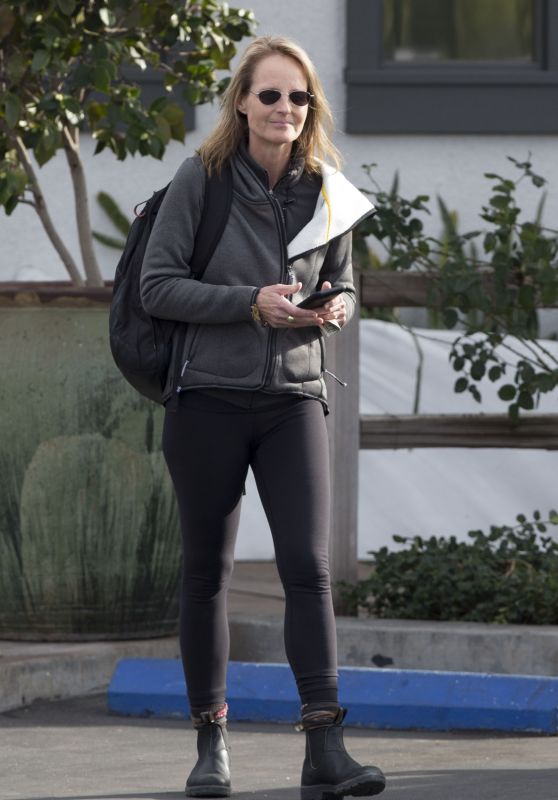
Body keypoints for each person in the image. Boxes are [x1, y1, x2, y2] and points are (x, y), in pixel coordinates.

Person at [140, 35, 386, 800]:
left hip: (292, 401)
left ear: (312, 108)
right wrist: (250, 304)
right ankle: (211, 747)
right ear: (242, 102)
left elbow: (343, 285)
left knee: (307, 572)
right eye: (270, 95)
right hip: (207, 398)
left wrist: (335, 306)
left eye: (299, 97)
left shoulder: (329, 191)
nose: (285, 109)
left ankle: (325, 748)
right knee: (208, 574)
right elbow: (158, 286)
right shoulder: (201, 180)